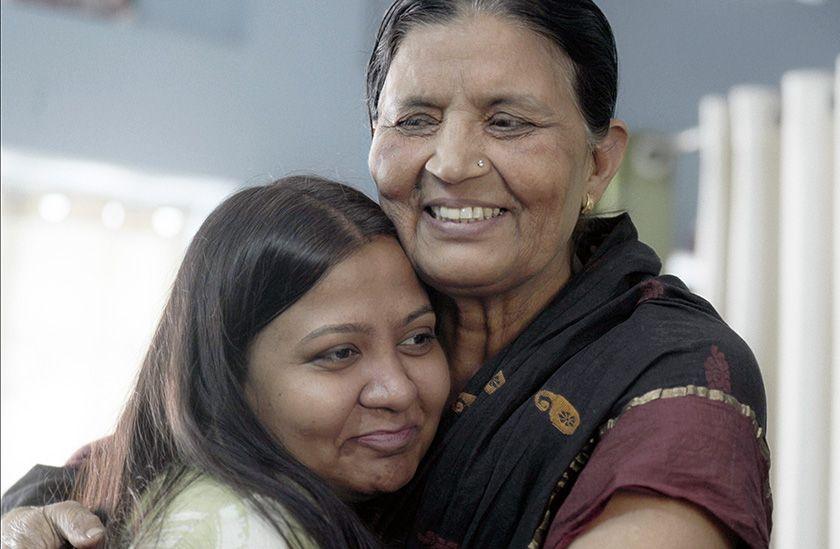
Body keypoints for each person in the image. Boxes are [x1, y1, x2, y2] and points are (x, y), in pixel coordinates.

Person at [3, 1, 772, 547]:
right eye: (415, 120)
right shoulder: (367, 287)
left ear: (600, 160)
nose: (453, 163)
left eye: (508, 121)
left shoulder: (674, 372)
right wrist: (35, 512)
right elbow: (185, 435)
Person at [0, 176, 451, 548]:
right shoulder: (237, 527)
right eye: (339, 353)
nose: (399, 389)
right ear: (227, 377)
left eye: (417, 338)